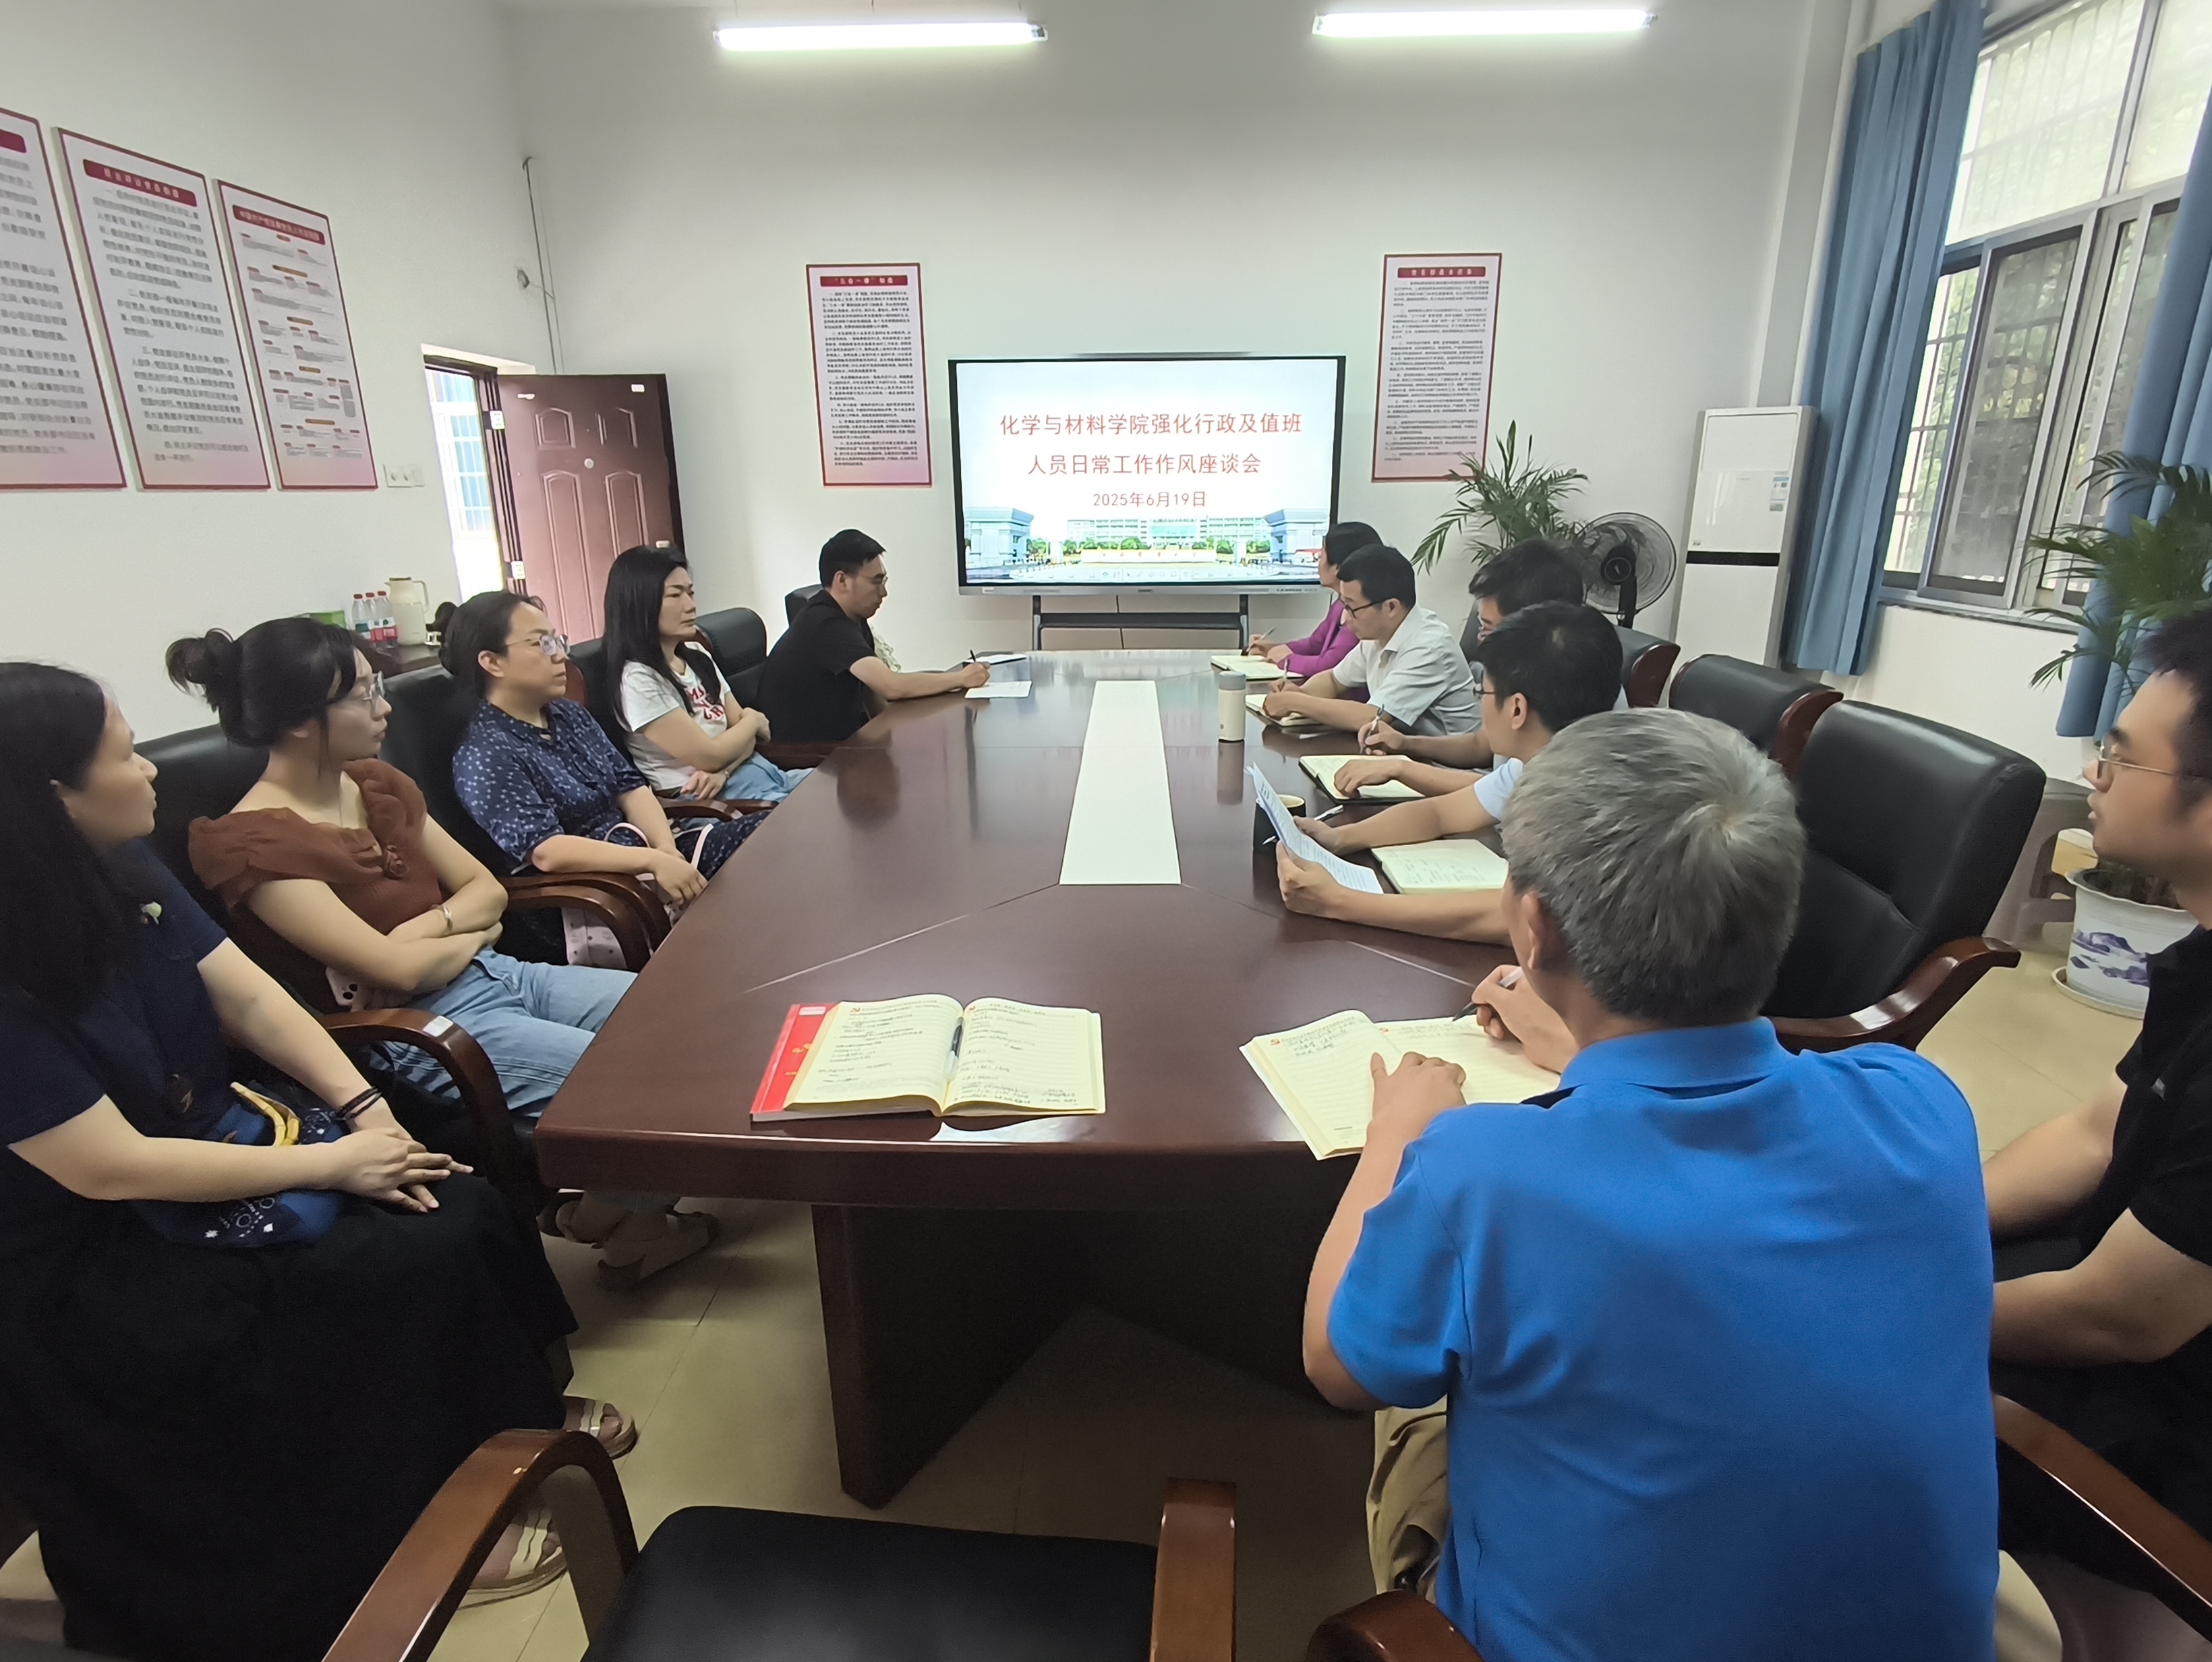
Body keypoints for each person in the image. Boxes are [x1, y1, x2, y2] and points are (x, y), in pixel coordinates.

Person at [1308, 710, 1998, 1662]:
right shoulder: (1919, 1101)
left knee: (1417, 1381)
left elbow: (1334, 1368)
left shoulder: (1481, 1172)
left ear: (1533, 929)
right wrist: (1582, 1053)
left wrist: (1395, 1135)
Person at [0, 662, 580, 1662]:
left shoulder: (122, 870)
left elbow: (252, 1000)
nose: (150, 770)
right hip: (94, 1251)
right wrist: (333, 1166)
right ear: (51, 796)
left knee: (456, 1204)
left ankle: (510, 1435)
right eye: (126, 754)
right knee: (380, 1266)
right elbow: (107, 1168)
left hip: (213, 1146)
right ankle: (425, 1514)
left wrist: (366, 1116)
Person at [171, 619, 714, 1290]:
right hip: (417, 1030)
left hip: (494, 972)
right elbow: (395, 971)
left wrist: (431, 934)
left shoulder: (375, 783)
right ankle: (627, 1221)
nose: (385, 709)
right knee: (640, 1087)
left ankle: (609, 1217)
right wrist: (453, 934)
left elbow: (487, 891)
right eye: (364, 696)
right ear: (302, 721)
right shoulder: (250, 844)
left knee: (687, 1025)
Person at [1980, 608, 2212, 1585]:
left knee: (1812, 1377)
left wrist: (1889, 1306)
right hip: (2115, 1295)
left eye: (2120, 756)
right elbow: (2097, 1128)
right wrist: (1923, 1221)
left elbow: (2123, 1318)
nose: (2094, 772)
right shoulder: (2201, 955)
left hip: (2171, 1422)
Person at [1275, 602, 1621, 942]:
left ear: (1517, 709)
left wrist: (1339, 901)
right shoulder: (1541, 762)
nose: (1480, 703)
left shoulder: (1587, 798)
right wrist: (1340, 839)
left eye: (1482, 691)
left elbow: (1514, 917)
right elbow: (1439, 813)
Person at [444, 592, 763, 901]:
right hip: (597, 891)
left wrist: (666, 850)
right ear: (492, 662)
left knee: (770, 835)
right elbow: (547, 851)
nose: (560, 655)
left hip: (646, 859)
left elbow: (630, 787)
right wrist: (652, 862)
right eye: (542, 643)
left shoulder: (568, 714)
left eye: (557, 641)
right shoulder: (485, 754)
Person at [1357, 538, 1598, 774]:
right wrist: (1406, 744)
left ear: (1533, 624)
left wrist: (1402, 769)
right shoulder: (1515, 675)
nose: (1482, 640)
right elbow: (1482, 745)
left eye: (1488, 628)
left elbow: (1500, 793)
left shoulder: (1562, 703)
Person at [601, 545, 809, 805]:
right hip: (717, 802)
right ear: (639, 604)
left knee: (846, 784)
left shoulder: (698, 656)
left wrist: (724, 769)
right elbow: (711, 755)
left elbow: (750, 738)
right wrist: (753, 720)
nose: (691, 606)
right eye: (675, 595)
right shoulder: (638, 680)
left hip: (763, 774)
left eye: (690, 593)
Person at [757, 530, 989, 743]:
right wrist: (961, 679)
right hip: (804, 753)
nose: (884, 592)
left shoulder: (853, 619)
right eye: (876, 582)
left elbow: (875, 696)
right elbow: (891, 686)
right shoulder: (824, 623)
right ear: (842, 580)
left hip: (843, 742)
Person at [1258, 545, 1477, 739]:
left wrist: (1296, 703)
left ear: (1391, 607)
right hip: (1406, 752)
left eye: (1352, 607)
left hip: (1449, 766)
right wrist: (1300, 693)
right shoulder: (1377, 635)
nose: (1346, 617)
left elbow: (1372, 718)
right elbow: (1334, 680)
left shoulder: (1429, 647)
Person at [1247, 520, 1383, 678]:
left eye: (1321, 557)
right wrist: (1273, 649)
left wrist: (1286, 660)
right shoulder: (1340, 605)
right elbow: (1314, 645)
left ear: (1337, 568)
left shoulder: (1363, 615)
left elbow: (1329, 666)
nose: (1318, 564)